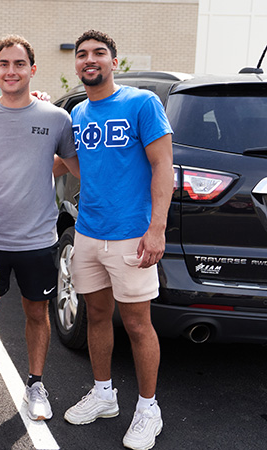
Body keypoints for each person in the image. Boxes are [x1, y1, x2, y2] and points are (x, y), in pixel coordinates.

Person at [0, 35, 79, 419]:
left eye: (19, 64)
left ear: (32, 69)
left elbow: (74, 166)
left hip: (38, 238)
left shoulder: (56, 118)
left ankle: (36, 384)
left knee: (36, 313)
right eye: (4, 64)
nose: (12, 71)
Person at [62, 30, 172, 450]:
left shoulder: (142, 103)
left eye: (99, 53)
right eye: (83, 54)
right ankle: (104, 394)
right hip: (88, 233)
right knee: (96, 316)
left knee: (138, 324)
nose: (90, 60)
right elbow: (72, 166)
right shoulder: (78, 115)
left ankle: (148, 409)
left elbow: (164, 166)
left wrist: (156, 228)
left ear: (113, 61)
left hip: (132, 236)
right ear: (76, 64)